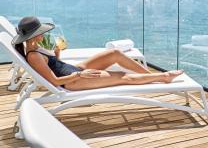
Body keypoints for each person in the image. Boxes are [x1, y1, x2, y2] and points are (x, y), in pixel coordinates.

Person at [12, 16, 183, 91]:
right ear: (34, 35)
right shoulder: (33, 55)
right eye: (41, 32)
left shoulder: (35, 48)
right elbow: (54, 81)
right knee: (122, 76)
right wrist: (81, 75)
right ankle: (164, 77)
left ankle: (150, 78)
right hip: (73, 80)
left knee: (114, 53)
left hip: (71, 69)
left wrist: (57, 54)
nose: (43, 34)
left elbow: (52, 66)